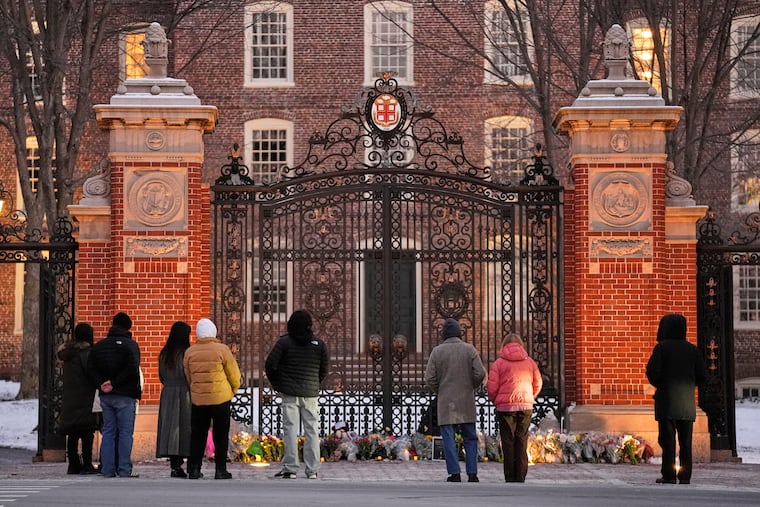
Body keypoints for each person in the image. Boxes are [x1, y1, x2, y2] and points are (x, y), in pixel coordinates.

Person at [265, 309, 329, 480]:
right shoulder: (319, 344)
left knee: (290, 430)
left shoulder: (284, 343)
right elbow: (324, 370)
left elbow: (270, 364)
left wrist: (278, 383)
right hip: (310, 393)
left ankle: (291, 468)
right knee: (312, 431)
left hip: (290, 393)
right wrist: (315, 383)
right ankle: (313, 469)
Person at [646, 313, 707, 485]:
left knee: (668, 441)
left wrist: (661, 384)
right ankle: (685, 475)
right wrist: (689, 385)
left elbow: (652, 372)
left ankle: (669, 474)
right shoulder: (692, 349)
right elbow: (702, 375)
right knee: (685, 443)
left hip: (667, 402)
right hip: (686, 403)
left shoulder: (661, 348)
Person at [424, 318, 486, 483]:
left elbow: (429, 377)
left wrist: (440, 389)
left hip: (446, 400)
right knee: (470, 436)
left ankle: (454, 473)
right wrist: (471, 385)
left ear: (444, 334)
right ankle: (472, 473)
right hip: (466, 398)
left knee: (448, 437)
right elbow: (480, 373)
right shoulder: (469, 349)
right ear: (459, 332)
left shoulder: (437, 352)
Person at [184, 318, 241, 480]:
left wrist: (197, 389)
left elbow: (189, 376)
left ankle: (194, 468)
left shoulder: (190, 352)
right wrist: (233, 388)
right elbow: (234, 373)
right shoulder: (222, 349)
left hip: (199, 400)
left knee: (198, 434)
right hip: (220, 398)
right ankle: (220, 469)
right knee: (220, 435)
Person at [88, 312, 142, 478]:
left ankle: (107, 469)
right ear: (128, 327)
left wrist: (102, 383)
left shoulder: (99, 346)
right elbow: (132, 367)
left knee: (109, 431)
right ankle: (124, 469)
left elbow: (90, 368)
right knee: (125, 432)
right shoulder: (130, 345)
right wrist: (115, 383)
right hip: (125, 394)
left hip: (106, 396)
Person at [486, 333, 543, 483]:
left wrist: (496, 400)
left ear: (504, 346)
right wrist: (530, 396)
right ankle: (521, 474)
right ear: (521, 345)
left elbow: (492, 387)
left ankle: (510, 475)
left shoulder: (498, 363)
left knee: (508, 441)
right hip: (525, 405)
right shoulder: (530, 362)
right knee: (521, 439)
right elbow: (538, 383)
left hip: (505, 407)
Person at [57, 322, 99, 475]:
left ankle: (73, 463)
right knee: (87, 432)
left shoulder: (68, 354)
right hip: (85, 397)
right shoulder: (87, 353)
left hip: (70, 398)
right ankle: (87, 464)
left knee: (73, 433)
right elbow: (92, 374)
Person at [156, 321, 193, 478]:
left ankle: (174, 464)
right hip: (184, 392)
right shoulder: (186, 353)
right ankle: (187, 463)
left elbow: (161, 376)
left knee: (170, 429)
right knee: (185, 428)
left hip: (168, 393)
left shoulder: (164, 353)